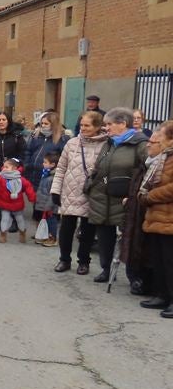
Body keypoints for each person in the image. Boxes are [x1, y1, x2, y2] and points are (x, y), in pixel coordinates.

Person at [85, 107, 149, 282]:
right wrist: (91, 184)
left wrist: (134, 194)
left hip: (125, 199)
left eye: (109, 124)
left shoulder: (140, 144)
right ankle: (106, 269)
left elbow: (147, 171)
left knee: (130, 238)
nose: (106, 128)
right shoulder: (109, 142)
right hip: (102, 197)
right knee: (105, 237)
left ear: (123, 124)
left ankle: (133, 275)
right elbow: (99, 166)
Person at [49, 111, 109, 274]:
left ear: (97, 126)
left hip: (92, 193)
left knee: (87, 231)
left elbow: (108, 172)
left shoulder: (107, 145)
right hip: (70, 191)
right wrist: (55, 190)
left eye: (87, 125)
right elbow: (61, 168)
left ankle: (84, 261)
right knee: (66, 228)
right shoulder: (72, 143)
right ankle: (64, 259)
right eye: (81, 125)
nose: (83, 128)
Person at [138, 121, 173, 317]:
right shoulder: (164, 157)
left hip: (169, 218)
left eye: (162, 134)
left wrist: (150, 196)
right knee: (158, 259)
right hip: (157, 217)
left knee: (170, 261)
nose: (157, 137)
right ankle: (162, 295)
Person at [0, 157, 37, 243]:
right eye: (3, 166)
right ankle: (3, 234)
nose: (3, 168)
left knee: (20, 220)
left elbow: (28, 188)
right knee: (4, 219)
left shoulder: (20, 179)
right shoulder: (1, 177)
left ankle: (22, 232)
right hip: (5, 204)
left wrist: (32, 198)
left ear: (15, 168)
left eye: (6, 167)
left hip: (17, 205)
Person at [23, 111, 68, 190]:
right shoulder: (36, 136)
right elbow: (28, 151)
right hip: (32, 174)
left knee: (43, 199)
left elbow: (64, 158)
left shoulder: (62, 139)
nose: (43, 126)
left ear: (53, 125)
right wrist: (26, 164)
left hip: (47, 176)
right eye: (42, 123)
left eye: (46, 124)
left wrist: (53, 171)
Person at [33, 152, 60, 246]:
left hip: (50, 206)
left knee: (51, 222)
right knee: (45, 221)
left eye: (45, 162)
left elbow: (52, 193)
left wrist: (48, 206)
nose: (43, 164)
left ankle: (53, 238)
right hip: (43, 203)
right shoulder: (46, 174)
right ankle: (44, 236)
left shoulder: (53, 177)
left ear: (52, 164)